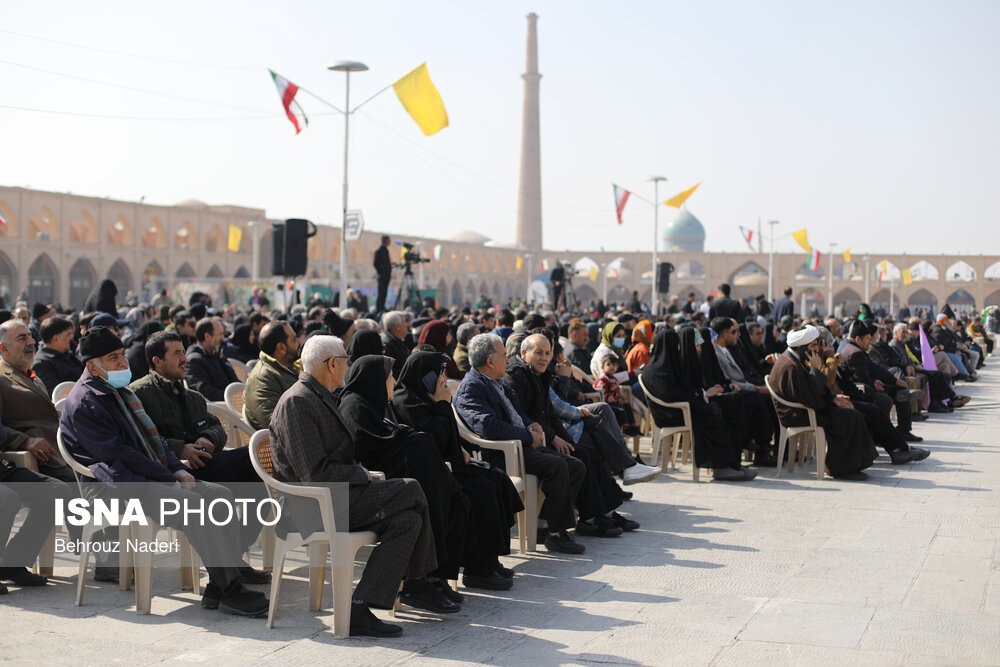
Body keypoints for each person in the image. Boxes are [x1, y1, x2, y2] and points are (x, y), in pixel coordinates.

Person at [59, 326, 269, 616]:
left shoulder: (118, 391)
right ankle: (230, 589)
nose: (123, 362)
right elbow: (119, 455)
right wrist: (169, 478)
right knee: (194, 504)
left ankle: (220, 586)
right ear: (92, 367)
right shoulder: (86, 402)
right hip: (112, 486)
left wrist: (175, 470)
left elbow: (153, 440)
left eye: (122, 355)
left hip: (141, 476)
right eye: (113, 358)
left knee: (220, 494)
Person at [269, 335, 440, 637]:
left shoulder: (320, 395)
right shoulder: (298, 401)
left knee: (408, 520)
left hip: (336, 497)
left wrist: (360, 474)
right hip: (311, 507)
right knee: (411, 488)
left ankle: (360, 606)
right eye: (346, 359)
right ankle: (420, 581)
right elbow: (315, 474)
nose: (348, 365)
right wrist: (363, 475)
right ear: (332, 363)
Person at [129, 331, 270, 583]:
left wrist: (208, 438)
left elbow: (216, 426)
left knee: (256, 472)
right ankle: (229, 566)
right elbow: (140, 438)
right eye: (176, 354)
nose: (184, 359)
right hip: (170, 474)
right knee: (240, 475)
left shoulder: (190, 395)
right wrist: (180, 448)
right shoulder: (139, 394)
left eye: (183, 352)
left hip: (202, 466)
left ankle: (232, 557)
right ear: (157, 362)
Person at [338, 354, 467, 613]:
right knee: (423, 492)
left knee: (456, 498)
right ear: (375, 380)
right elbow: (367, 446)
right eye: (389, 377)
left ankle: (434, 576)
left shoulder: (375, 403)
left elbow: (391, 432)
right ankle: (419, 583)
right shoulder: (354, 405)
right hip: (375, 479)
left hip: (398, 470)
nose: (394, 382)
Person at [393, 351, 522, 591]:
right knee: (481, 491)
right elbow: (435, 440)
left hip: (452, 462)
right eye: (438, 373)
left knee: (497, 480)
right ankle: (477, 569)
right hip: (437, 470)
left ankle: (490, 558)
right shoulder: (407, 401)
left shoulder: (428, 395)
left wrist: (458, 443)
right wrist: (443, 403)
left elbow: (449, 435)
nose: (442, 378)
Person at [454, 334, 587, 554]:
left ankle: (546, 525)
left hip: (520, 444)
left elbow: (515, 411)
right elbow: (488, 427)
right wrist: (527, 436)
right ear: (490, 361)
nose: (508, 361)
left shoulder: (496, 382)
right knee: (558, 466)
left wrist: (532, 425)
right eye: (504, 356)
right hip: (501, 453)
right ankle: (557, 534)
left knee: (576, 465)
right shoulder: (472, 388)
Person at [506, 334, 633, 539]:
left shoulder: (538, 374)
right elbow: (523, 417)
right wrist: (553, 438)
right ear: (523, 353)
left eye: (547, 353)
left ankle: (599, 515)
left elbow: (550, 415)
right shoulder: (515, 376)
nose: (544, 358)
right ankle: (548, 526)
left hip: (546, 436)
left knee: (586, 453)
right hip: (529, 442)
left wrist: (563, 438)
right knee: (574, 462)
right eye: (538, 352)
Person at [641, 329, 755, 481]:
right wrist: (698, 396)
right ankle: (721, 466)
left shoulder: (665, 365)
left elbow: (679, 390)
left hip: (680, 408)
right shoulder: (656, 370)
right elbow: (670, 394)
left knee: (719, 409)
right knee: (712, 415)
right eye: (676, 345)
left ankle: (730, 463)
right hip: (670, 414)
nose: (679, 349)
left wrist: (697, 395)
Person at [768, 325, 878, 480]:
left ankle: (854, 464)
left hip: (808, 408)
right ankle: (840, 469)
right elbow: (809, 396)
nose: (815, 349)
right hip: (799, 413)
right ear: (800, 346)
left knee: (854, 414)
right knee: (849, 418)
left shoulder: (795, 359)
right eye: (813, 345)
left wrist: (833, 399)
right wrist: (817, 371)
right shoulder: (790, 365)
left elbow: (811, 392)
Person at [0, 320, 74, 482]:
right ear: (4, 348)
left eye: (30, 336)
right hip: (39, 459)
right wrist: (24, 441)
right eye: (21, 338)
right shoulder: (2, 378)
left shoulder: (31, 375)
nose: (31, 342)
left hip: (62, 451)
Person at [244, 321, 300, 430]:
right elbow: (276, 424)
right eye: (294, 339)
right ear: (281, 348)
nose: (299, 342)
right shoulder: (262, 378)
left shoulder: (286, 366)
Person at [31, 315, 84, 394]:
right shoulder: (41, 364)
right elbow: (58, 394)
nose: (71, 338)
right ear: (56, 338)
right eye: (68, 334)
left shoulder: (68, 354)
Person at [379, 311, 411, 377]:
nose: (407, 324)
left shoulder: (396, 340)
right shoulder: (386, 344)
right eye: (404, 322)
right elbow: (390, 372)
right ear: (397, 326)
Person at [374, 235, 392, 313]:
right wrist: (381, 272)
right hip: (382, 276)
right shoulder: (379, 251)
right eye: (389, 240)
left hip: (386, 276)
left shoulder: (386, 250)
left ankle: (382, 308)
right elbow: (375, 263)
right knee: (381, 293)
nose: (390, 242)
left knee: (384, 293)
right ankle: (379, 309)